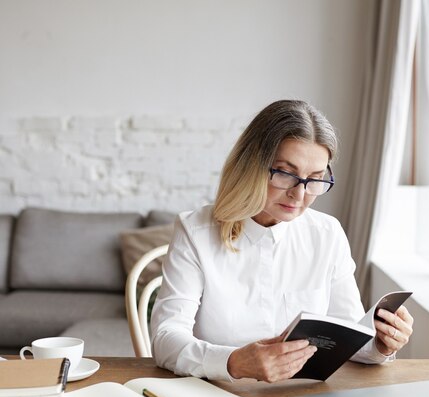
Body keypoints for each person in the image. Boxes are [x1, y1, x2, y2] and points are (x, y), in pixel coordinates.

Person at [151, 99, 413, 382]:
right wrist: (233, 362)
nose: (299, 196)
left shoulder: (327, 234)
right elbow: (166, 339)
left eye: (315, 179)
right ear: (251, 166)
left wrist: (379, 345)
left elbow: (347, 335)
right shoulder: (196, 232)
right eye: (286, 174)